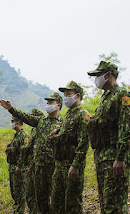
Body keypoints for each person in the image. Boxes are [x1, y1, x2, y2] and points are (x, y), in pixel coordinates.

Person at [0, 92, 63, 214]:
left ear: (58, 105)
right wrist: (11, 109)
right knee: (40, 200)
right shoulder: (41, 121)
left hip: (54, 168)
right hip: (39, 168)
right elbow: (25, 117)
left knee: (56, 200)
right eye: (47, 102)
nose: (48, 104)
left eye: (51, 102)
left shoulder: (63, 123)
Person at [87, 61, 130, 214]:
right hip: (102, 158)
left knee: (115, 206)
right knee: (106, 205)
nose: (96, 79)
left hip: (115, 158)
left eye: (98, 75)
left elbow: (126, 127)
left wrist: (120, 158)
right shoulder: (105, 98)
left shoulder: (122, 94)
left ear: (108, 75)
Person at [49, 81, 90, 214]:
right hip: (60, 165)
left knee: (72, 204)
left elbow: (84, 142)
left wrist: (76, 165)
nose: (65, 97)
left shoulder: (82, 114)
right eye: (64, 94)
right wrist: (57, 132)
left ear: (77, 96)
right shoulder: (68, 114)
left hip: (71, 166)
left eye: (68, 94)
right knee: (56, 203)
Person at [21, 108, 45, 214]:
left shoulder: (40, 129)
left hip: (37, 165)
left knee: (36, 195)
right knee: (30, 194)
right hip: (31, 164)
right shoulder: (33, 130)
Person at [5, 117, 30, 214]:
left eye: (12, 121)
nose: (11, 123)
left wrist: (19, 166)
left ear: (18, 122)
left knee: (20, 194)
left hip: (19, 169)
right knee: (14, 193)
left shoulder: (24, 135)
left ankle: (19, 211)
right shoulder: (17, 135)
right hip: (12, 168)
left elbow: (24, 153)